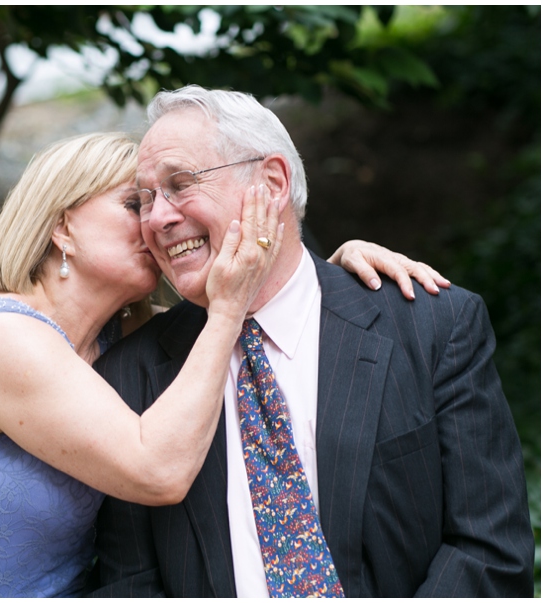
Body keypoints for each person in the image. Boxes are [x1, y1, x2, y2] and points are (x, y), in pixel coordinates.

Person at [0, 132, 449, 598]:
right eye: (135, 204)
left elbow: (280, 299)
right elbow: (158, 470)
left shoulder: (119, 340)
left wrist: (339, 275)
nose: (156, 221)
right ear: (61, 228)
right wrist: (226, 307)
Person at [88, 86, 534, 598]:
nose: (158, 219)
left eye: (181, 184)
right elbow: (129, 584)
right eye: (145, 199)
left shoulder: (431, 326)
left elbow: (490, 550)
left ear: (272, 182)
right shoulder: (130, 376)